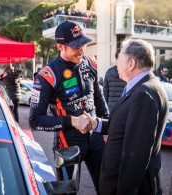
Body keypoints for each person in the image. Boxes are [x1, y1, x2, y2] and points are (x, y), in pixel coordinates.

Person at [29, 21, 109, 194]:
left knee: (108, 189)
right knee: (67, 193)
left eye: (83, 44)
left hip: (95, 138)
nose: (81, 50)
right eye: (75, 46)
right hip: (68, 143)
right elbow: (35, 121)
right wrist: (72, 121)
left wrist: (108, 126)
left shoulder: (90, 63)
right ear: (60, 46)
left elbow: (98, 98)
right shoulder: (47, 75)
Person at [84, 39, 169, 195]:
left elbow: (135, 156)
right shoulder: (143, 87)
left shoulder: (144, 94)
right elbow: (126, 126)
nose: (116, 64)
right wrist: (96, 124)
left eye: (119, 60)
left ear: (131, 63)